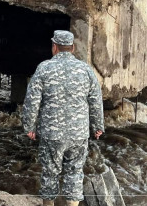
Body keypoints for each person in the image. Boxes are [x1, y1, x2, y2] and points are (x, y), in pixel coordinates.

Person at [21, 30, 104, 206]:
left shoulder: (44, 68)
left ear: (54, 47)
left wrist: (29, 126)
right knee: (74, 173)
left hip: (52, 134)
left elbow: (32, 100)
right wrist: (98, 126)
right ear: (72, 48)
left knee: (50, 173)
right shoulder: (85, 70)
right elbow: (96, 100)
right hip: (79, 134)